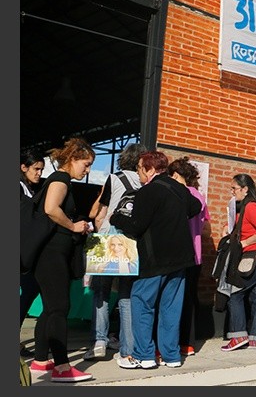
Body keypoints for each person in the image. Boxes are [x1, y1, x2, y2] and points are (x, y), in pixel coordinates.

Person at [110, 150, 201, 370]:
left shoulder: (147, 192)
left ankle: (144, 355)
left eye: (140, 168)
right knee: (171, 308)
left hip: (155, 260)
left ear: (150, 169)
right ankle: (171, 356)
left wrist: (117, 217)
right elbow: (195, 207)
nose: (138, 173)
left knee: (142, 304)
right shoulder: (180, 189)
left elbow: (137, 226)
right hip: (181, 260)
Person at [30, 137, 95, 382]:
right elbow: (51, 208)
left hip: (51, 253)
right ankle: (61, 367)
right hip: (52, 253)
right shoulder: (60, 179)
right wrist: (74, 226)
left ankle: (39, 360)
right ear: (72, 159)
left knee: (50, 308)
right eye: (86, 164)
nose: (87, 170)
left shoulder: (59, 179)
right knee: (59, 308)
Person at [84, 142, 147, 362]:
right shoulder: (144, 182)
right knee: (126, 296)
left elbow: (100, 212)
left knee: (101, 292)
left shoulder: (114, 178)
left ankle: (99, 341)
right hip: (130, 242)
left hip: (108, 238)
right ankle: (127, 348)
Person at [220, 173, 256, 352]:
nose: (232, 192)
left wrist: (245, 242)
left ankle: (238, 336)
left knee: (235, 294)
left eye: (234, 188)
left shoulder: (251, 207)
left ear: (245, 189)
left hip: (255, 258)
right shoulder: (244, 207)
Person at [167, 157, 210, 356]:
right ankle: (188, 343)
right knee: (190, 298)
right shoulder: (200, 197)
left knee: (172, 299)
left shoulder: (175, 194)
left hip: (178, 253)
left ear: (176, 175)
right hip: (196, 254)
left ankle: (170, 343)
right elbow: (206, 228)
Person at [19, 147, 45, 358]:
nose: (39, 173)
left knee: (28, 292)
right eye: (35, 169)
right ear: (23, 167)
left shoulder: (30, 189)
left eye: (41, 169)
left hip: (25, 254)